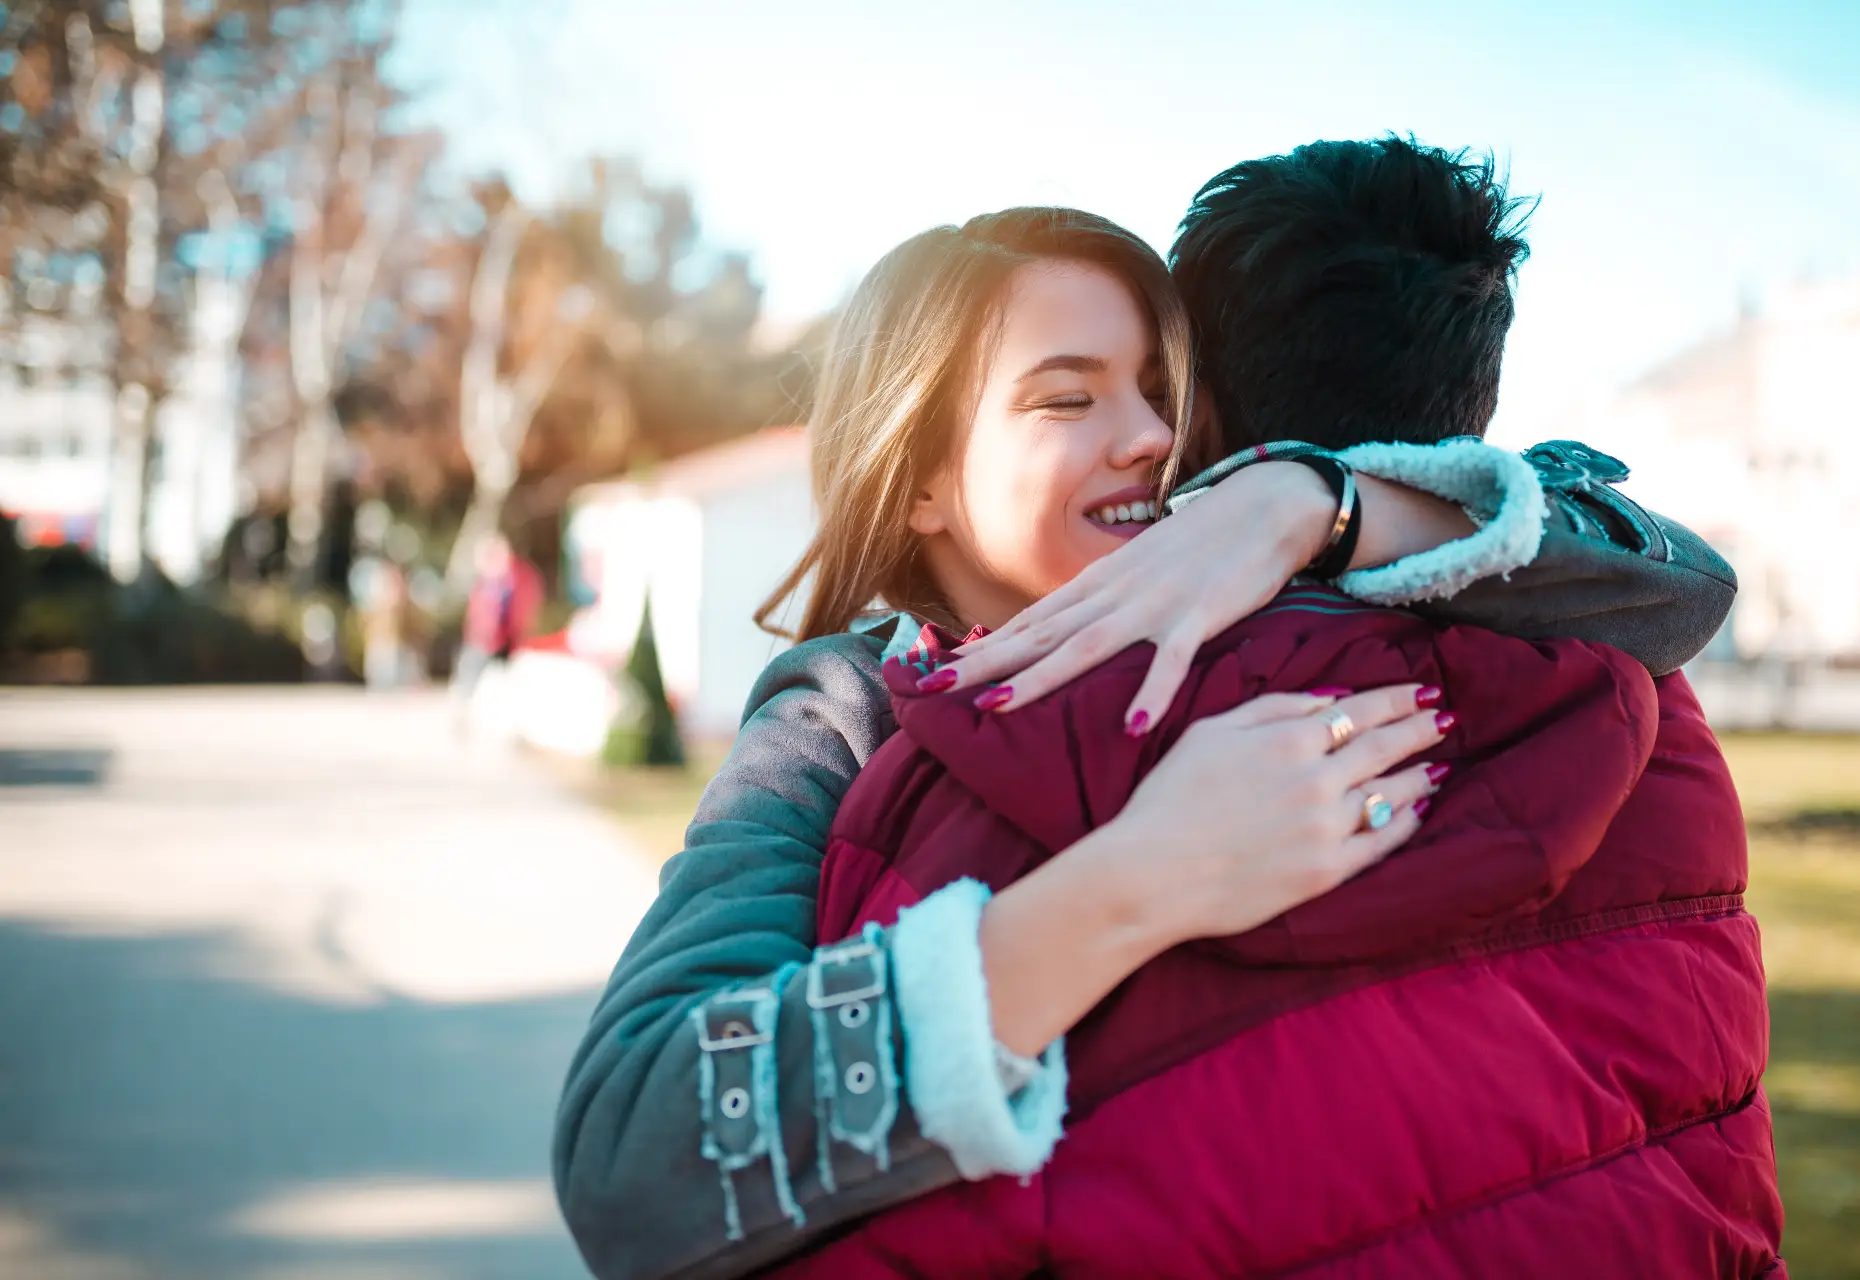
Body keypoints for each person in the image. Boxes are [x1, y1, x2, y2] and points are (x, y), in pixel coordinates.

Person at [552, 203, 1738, 1280]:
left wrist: (1315, 502)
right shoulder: (840, 711)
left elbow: (1678, 586)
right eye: (1070, 398)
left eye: (1158, 390)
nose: (1149, 439)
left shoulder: (1276, 590)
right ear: (920, 478)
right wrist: (1141, 879)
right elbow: (634, 1153)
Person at [451, 529, 544, 720]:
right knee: (471, 672)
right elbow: (478, 611)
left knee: (510, 678)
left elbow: (525, 607)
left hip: (510, 638)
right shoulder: (487, 580)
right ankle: (464, 709)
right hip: (484, 639)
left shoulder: (518, 576)